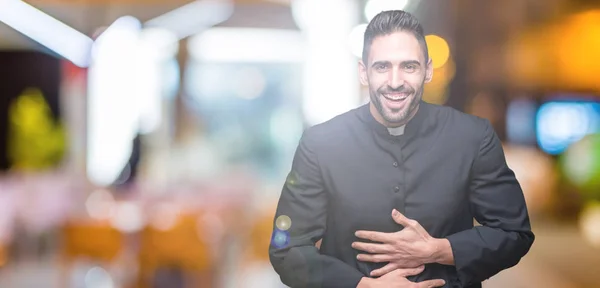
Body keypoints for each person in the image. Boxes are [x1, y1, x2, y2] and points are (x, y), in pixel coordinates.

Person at [269, 10, 534, 288]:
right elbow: (286, 248)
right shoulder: (320, 143)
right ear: (363, 72)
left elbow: (514, 233)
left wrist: (439, 249)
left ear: (428, 70)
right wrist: (363, 285)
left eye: (409, 66)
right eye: (382, 66)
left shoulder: (473, 137)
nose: (395, 82)